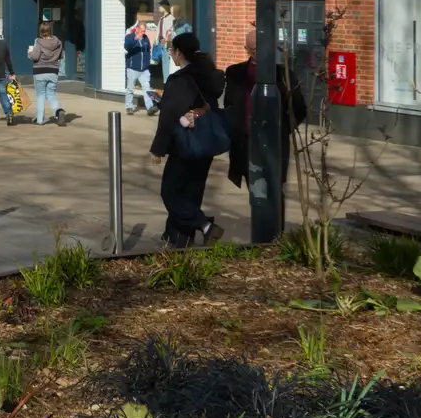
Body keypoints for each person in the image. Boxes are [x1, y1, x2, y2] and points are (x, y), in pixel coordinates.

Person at [147, 31, 227, 248]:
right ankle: (178, 237)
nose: (171, 54)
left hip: (185, 143)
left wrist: (158, 149)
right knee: (191, 192)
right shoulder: (208, 74)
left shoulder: (180, 80)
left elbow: (169, 116)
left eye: (172, 50)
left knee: (171, 192)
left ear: (180, 52)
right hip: (205, 142)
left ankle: (204, 226)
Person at [223, 29, 308, 201]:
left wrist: (282, 130)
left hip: (273, 143)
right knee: (255, 192)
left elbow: (299, 109)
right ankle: (260, 226)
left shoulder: (284, 75)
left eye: (261, 48)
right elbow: (229, 105)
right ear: (246, 49)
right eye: (254, 50)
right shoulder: (235, 73)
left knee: (274, 193)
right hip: (246, 144)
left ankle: (276, 228)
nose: (258, 53)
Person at [27, 23, 66, 126]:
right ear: (50, 30)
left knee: (40, 96)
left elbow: (35, 56)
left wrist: (30, 52)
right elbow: (61, 56)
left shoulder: (38, 42)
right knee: (51, 95)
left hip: (39, 71)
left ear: (41, 31)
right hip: (53, 71)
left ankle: (40, 120)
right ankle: (58, 111)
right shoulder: (58, 42)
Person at [123, 16, 157, 116]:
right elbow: (127, 47)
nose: (143, 33)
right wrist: (135, 39)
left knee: (147, 88)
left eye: (144, 31)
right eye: (141, 31)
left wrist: (147, 63)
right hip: (133, 68)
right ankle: (129, 106)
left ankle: (149, 107)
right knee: (130, 88)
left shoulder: (145, 38)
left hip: (144, 69)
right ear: (137, 29)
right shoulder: (129, 37)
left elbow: (148, 49)